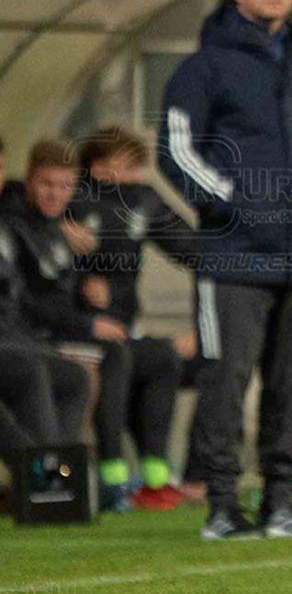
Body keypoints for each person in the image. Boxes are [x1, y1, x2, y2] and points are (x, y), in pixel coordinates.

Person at [159, 0, 292, 539]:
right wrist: (239, 209)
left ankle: (280, 504)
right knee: (226, 383)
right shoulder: (203, 68)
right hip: (234, 259)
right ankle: (222, 505)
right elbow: (177, 149)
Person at [68, 126, 200, 510]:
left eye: (135, 167)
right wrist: (79, 278)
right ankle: (112, 477)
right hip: (74, 327)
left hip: (123, 327)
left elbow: (194, 249)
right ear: (96, 167)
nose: (134, 176)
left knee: (163, 359)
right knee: (117, 359)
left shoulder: (142, 201)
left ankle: (156, 477)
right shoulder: (69, 201)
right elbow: (18, 208)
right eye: (123, 167)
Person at [4, 139, 133, 509]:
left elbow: (61, 290)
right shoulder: (16, 225)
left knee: (87, 370)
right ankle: (55, 481)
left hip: (32, 337)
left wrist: (92, 286)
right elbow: (27, 301)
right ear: (29, 181)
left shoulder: (59, 230)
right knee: (84, 366)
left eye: (64, 186)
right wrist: (87, 326)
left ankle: (63, 477)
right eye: (46, 184)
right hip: (33, 336)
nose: (54, 194)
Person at [0, 215, 90, 460]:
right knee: (28, 370)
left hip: (14, 339)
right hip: (11, 350)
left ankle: (56, 474)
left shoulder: (9, 226)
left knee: (75, 377)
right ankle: (51, 480)